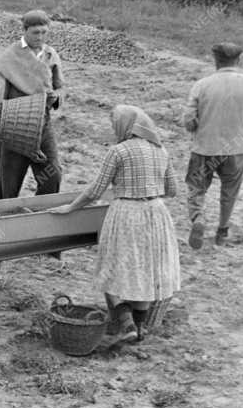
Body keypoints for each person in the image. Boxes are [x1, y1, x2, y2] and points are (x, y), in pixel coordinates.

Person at [49, 105, 181, 343]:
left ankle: (126, 321)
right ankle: (139, 329)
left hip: (127, 214)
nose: (113, 130)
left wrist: (71, 208)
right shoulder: (161, 150)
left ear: (126, 126)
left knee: (111, 269)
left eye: (115, 125)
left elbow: (96, 190)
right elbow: (172, 190)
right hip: (156, 214)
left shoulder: (119, 151)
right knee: (145, 271)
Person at [182, 42, 243, 248]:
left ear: (215, 60)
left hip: (205, 147)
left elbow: (188, 120)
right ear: (238, 60)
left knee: (196, 187)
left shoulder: (202, 85)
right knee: (229, 191)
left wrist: (197, 124)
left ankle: (198, 218)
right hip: (236, 148)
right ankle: (222, 232)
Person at [0, 9, 64, 199]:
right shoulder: (9, 57)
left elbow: (60, 86)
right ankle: (5, 219)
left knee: (52, 175)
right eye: (35, 32)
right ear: (24, 30)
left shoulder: (50, 54)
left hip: (42, 123)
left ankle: (41, 215)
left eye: (44, 32)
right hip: (13, 124)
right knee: (9, 184)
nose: (40, 37)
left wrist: (57, 97)